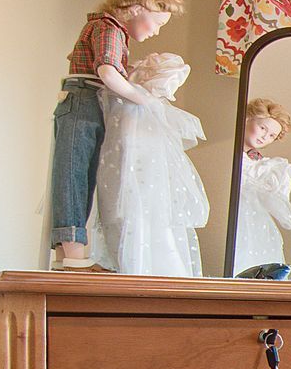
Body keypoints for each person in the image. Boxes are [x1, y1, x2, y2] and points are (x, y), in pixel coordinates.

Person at [51, 0, 182, 270]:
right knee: (74, 174)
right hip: (83, 102)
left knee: (83, 175)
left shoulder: (112, 32)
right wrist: (142, 98)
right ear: (136, 9)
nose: (155, 31)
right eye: (156, 23)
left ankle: (70, 255)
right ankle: (71, 255)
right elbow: (107, 72)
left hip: (91, 102)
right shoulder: (107, 28)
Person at [85, 53, 208, 276]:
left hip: (147, 180)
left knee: (150, 228)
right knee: (135, 225)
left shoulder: (144, 105)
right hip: (132, 176)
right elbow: (125, 142)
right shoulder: (134, 102)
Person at [232, 98, 291, 274]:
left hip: (255, 221)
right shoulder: (229, 153)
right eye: (263, 128)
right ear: (247, 119)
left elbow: (277, 203)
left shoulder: (266, 167)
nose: (264, 137)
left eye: (272, 136)